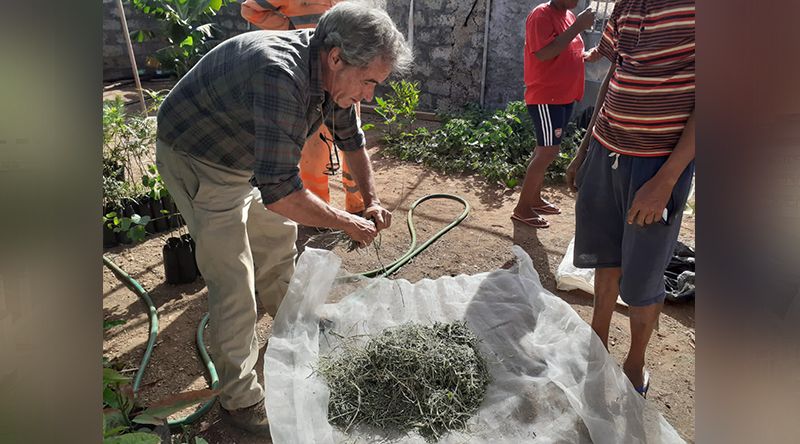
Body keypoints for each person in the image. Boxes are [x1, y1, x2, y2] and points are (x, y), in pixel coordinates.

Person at [154, 3, 412, 435]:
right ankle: (240, 402)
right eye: (369, 82)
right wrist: (346, 223)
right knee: (233, 279)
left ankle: (295, 320)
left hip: (246, 156)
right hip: (200, 155)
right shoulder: (281, 75)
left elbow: (352, 142)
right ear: (335, 58)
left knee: (278, 240)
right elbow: (281, 192)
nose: (370, 95)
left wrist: (370, 199)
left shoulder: (334, 77)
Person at [566, 0, 695, 397]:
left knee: (642, 277)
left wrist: (665, 181)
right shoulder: (626, 5)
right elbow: (612, 75)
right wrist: (584, 150)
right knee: (606, 261)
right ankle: (597, 344)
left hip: (655, 167)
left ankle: (635, 363)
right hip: (606, 153)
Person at [240, 0, 366, 215]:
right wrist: (287, 29)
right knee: (313, 152)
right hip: (310, 75)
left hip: (345, 73)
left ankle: (357, 204)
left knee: (351, 137)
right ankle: (318, 210)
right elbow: (250, 9)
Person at [512, 0, 596, 229]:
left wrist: (585, 54)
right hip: (547, 97)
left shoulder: (567, 15)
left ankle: (534, 199)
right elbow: (543, 53)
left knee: (543, 150)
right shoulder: (541, 15)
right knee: (548, 152)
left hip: (563, 96)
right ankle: (522, 209)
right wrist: (578, 27)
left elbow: (565, 47)